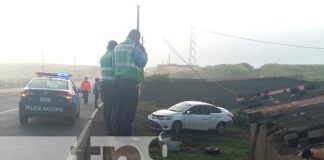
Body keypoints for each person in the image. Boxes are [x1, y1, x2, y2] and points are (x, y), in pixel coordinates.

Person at [114, 29, 148, 136]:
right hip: (130, 83)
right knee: (129, 110)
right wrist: (144, 52)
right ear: (137, 38)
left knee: (120, 108)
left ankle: (117, 133)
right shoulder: (134, 47)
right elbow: (142, 62)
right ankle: (126, 136)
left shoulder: (117, 47)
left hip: (118, 81)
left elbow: (114, 65)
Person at [100, 40, 118, 134]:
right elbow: (116, 70)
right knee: (112, 108)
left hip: (104, 84)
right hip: (112, 84)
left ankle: (108, 127)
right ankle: (112, 129)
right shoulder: (113, 55)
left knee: (107, 107)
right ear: (115, 47)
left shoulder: (103, 56)